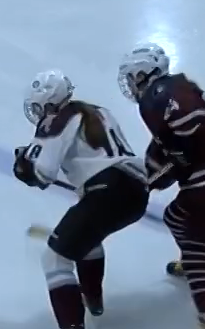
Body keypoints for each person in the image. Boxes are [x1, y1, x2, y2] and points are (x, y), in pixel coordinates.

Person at [118, 43, 205, 329]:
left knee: (198, 252)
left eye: (132, 78)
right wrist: (153, 173)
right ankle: (193, 263)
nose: (130, 85)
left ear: (144, 75)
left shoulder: (154, 99)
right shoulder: (177, 85)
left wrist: (152, 180)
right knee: (174, 216)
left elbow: (180, 155)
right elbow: (172, 143)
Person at [13, 70, 149, 329]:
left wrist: (23, 165)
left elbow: (42, 173)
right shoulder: (99, 111)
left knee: (54, 260)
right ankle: (93, 300)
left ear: (49, 103)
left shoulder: (56, 119)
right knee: (87, 241)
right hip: (136, 190)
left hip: (106, 192)